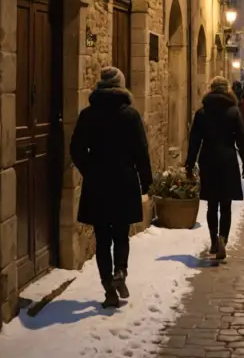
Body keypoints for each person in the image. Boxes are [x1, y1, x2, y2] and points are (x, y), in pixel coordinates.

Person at [70, 66, 153, 308]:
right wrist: (145, 181)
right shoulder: (130, 115)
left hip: (98, 183)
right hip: (124, 181)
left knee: (103, 238)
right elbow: (141, 151)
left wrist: (90, 169)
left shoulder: (88, 114)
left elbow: (76, 149)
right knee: (121, 234)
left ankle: (108, 289)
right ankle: (121, 271)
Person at [186, 76, 244, 261]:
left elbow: (194, 141)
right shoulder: (233, 111)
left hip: (208, 159)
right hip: (228, 159)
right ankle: (223, 238)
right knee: (226, 204)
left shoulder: (202, 113)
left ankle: (214, 240)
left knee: (212, 204)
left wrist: (190, 163)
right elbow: (241, 137)